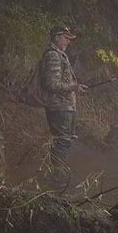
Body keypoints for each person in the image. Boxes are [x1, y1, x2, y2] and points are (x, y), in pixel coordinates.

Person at [38, 24, 87, 173]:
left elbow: (60, 82)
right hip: (59, 107)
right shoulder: (53, 55)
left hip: (65, 107)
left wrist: (75, 87)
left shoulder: (59, 54)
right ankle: (56, 175)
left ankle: (56, 173)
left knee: (64, 141)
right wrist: (73, 87)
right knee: (62, 142)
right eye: (66, 38)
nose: (68, 42)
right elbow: (51, 84)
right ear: (57, 37)